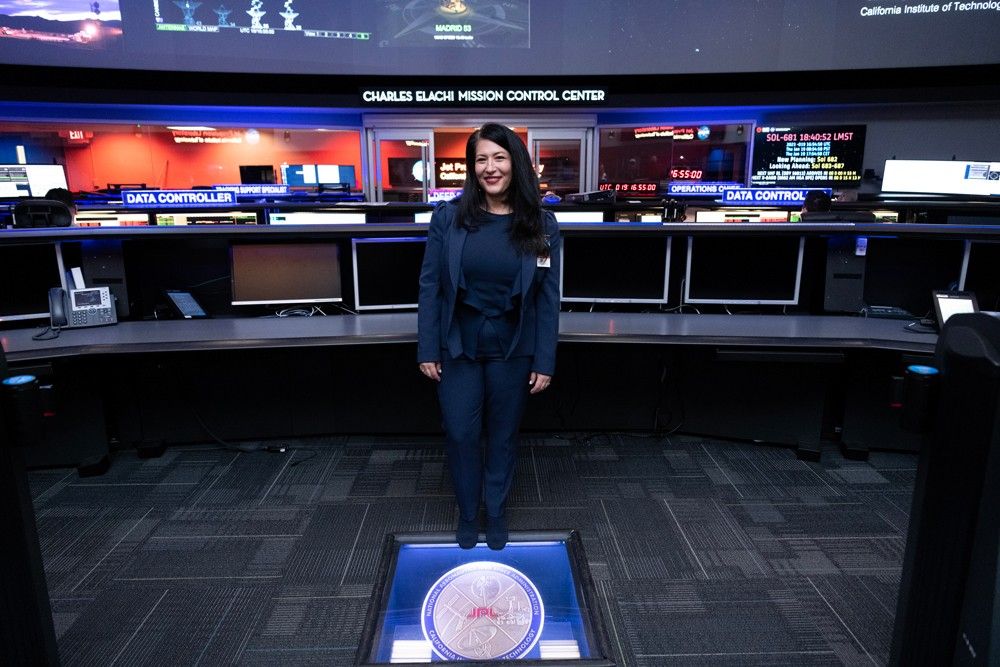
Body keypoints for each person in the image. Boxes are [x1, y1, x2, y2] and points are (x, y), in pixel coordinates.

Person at [417, 123, 561, 550]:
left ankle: (494, 511)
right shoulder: (448, 218)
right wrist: (427, 347)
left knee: (502, 435)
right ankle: (468, 512)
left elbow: (548, 296)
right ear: (471, 166)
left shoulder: (541, 224)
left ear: (516, 163)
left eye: (499, 157)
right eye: (481, 159)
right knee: (461, 433)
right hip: (457, 344)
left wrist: (544, 359)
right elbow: (430, 285)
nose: (489, 167)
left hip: (513, 347)